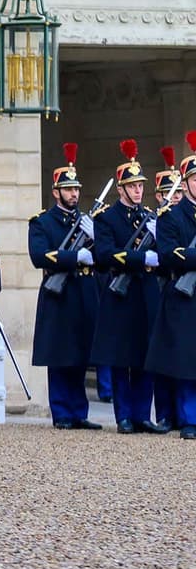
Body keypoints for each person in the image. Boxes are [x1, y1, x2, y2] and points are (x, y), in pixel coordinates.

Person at [89, 139, 167, 435]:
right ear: (120, 189)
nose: (138, 190)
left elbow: (164, 251)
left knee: (145, 357)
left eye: (140, 186)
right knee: (121, 357)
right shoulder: (107, 218)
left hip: (145, 290)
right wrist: (138, 257)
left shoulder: (150, 217)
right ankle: (123, 415)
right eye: (132, 186)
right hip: (120, 292)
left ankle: (142, 414)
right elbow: (105, 254)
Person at [28, 143, 102, 430]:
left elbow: (103, 256)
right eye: (68, 189)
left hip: (83, 291)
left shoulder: (86, 222)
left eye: (76, 189)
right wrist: (73, 256)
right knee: (60, 353)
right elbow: (39, 255)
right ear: (56, 192)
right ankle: (61, 412)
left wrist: (95, 239)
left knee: (81, 352)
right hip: (59, 293)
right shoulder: (43, 222)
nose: (74, 194)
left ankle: (79, 411)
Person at [145, 131, 196, 440]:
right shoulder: (171, 216)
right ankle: (189, 418)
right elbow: (169, 254)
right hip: (184, 295)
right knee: (187, 362)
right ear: (186, 182)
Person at [150, 148, 182, 432]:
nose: (174, 197)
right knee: (165, 355)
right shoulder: (163, 218)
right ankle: (166, 413)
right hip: (162, 287)